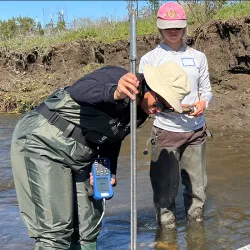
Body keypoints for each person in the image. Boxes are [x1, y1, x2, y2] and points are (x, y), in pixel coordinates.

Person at [11, 61, 191, 250]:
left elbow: (113, 138)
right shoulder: (115, 76)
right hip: (44, 142)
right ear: (151, 88)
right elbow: (78, 90)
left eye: (166, 108)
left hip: (81, 154)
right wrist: (114, 93)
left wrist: (109, 168)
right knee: (56, 229)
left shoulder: (140, 112)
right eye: (160, 102)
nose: (158, 110)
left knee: (88, 226)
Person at [139, 1, 213, 228]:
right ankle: (167, 235)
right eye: (168, 26)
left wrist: (203, 103)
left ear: (185, 28)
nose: (173, 31)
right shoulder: (149, 59)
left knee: (197, 190)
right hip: (166, 131)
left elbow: (206, 90)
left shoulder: (198, 57)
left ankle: (197, 232)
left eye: (178, 26)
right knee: (164, 191)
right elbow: (143, 98)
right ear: (160, 28)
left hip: (195, 131)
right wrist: (147, 102)